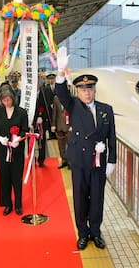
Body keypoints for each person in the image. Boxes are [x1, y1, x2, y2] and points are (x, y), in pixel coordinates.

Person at [54, 46, 116, 250]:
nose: (87, 92)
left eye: (90, 89)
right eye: (83, 89)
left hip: (98, 164)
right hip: (80, 163)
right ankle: (82, 234)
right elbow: (60, 91)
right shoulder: (73, 105)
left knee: (97, 200)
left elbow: (112, 137)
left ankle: (96, 233)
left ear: (95, 90)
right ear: (78, 91)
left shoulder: (106, 110)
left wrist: (112, 161)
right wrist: (61, 72)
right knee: (80, 201)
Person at [0, 88, 28, 216]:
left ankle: (18, 204)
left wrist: (19, 138)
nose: (6, 102)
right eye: (4, 100)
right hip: (3, 150)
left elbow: (25, 130)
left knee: (17, 178)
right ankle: (7, 204)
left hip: (17, 150)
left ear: (13, 98)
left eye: (8, 100)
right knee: (4, 177)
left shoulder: (22, 112)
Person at [51, 93, 71, 169]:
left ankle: (70, 162)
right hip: (59, 125)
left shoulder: (71, 98)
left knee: (69, 145)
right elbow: (54, 112)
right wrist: (53, 124)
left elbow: (73, 113)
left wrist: (73, 125)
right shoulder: (56, 98)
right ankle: (64, 160)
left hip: (69, 126)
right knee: (61, 145)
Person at [33, 81, 51, 167]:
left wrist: (42, 116)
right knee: (31, 142)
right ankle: (32, 159)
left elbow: (47, 106)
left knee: (41, 141)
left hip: (42, 121)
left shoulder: (44, 92)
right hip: (31, 121)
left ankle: (41, 160)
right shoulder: (29, 93)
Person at [45, 73, 57, 139]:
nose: (51, 80)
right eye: (50, 79)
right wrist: (50, 104)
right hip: (49, 108)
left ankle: (57, 134)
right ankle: (51, 135)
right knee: (50, 120)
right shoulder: (46, 88)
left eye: (52, 79)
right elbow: (46, 98)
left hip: (57, 107)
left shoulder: (58, 87)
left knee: (56, 120)